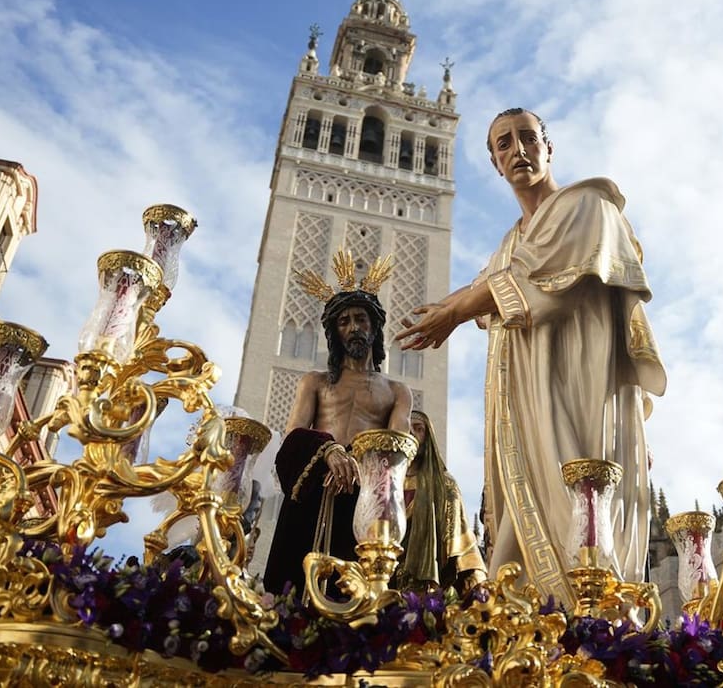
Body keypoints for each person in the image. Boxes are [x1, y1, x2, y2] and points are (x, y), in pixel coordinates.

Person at [395, 108, 667, 608]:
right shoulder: (510, 242)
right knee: (518, 537)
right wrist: (443, 308)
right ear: (494, 162)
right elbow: (487, 283)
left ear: (549, 146)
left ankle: (596, 629)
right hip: (525, 399)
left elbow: (530, 282)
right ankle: (529, 636)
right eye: (503, 144)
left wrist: (452, 314)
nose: (517, 150)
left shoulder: (587, 205)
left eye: (527, 138)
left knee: (578, 513)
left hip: (580, 389)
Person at [263, 255, 412, 597]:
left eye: (360, 319)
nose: (353, 327)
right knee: (294, 589)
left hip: (364, 495)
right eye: (344, 321)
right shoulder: (315, 382)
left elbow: (397, 450)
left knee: (353, 591)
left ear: (374, 328)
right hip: (317, 482)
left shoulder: (396, 391)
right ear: (334, 331)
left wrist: (362, 469)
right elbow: (293, 436)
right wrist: (328, 451)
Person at [397, 411, 487, 594]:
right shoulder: (387, 482)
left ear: (428, 438)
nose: (412, 434)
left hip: (426, 585)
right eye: (406, 429)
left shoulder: (444, 484)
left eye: (418, 429)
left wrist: (474, 574)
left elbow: (459, 536)